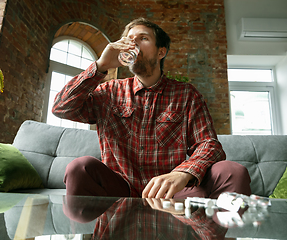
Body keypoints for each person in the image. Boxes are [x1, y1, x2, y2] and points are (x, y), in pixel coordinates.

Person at [52, 17, 251, 199]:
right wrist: (101, 65)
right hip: (119, 189)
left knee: (233, 171)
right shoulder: (109, 91)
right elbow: (61, 107)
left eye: (143, 38)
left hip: (172, 191)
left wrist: (183, 173)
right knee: (79, 168)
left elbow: (209, 145)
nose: (133, 43)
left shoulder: (186, 94)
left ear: (161, 51)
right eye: (129, 39)